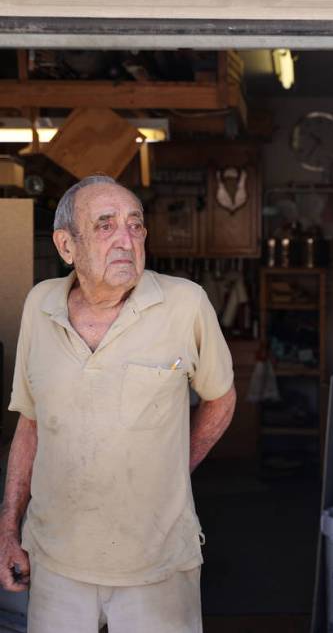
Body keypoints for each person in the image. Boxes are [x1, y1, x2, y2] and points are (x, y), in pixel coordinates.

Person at [1, 175, 237, 632]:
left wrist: (175, 467)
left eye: (136, 225)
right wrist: (9, 530)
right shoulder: (39, 305)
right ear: (66, 245)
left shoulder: (185, 303)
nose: (126, 240)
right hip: (55, 559)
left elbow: (221, 399)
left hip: (157, 561)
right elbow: (29, 423)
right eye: (106, 226)